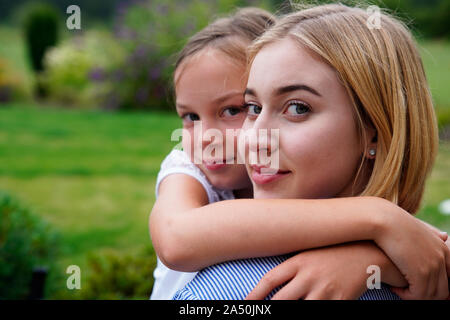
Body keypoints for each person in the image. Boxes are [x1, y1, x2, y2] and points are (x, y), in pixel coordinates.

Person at [170, 3, 450, 300]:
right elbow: (177, 237)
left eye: (297, 108)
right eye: (253, 108)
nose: (253, 140)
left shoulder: (235, 290)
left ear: (377, 132)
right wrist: (379, 221)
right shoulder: (424, 266)